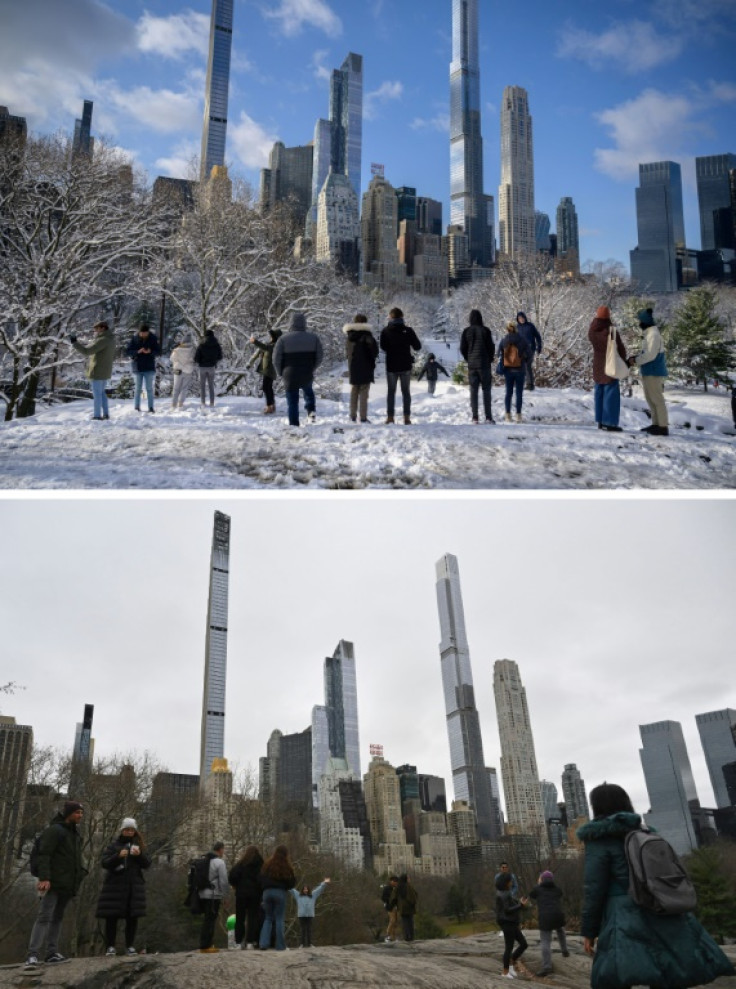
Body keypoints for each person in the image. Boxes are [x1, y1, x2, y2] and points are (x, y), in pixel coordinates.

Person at [578, 783, 734, 989]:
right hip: (662, 906)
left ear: (596, 806)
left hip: (624, 915)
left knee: (614, 976)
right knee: (669, 971)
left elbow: (594, 888)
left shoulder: (598, 839)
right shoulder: (646, 832)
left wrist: (589, 931)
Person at [25, 801, 86, 969]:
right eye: (77, 812)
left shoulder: (74, 834)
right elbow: (44, 854)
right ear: (68, 813)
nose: (80, 815)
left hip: (67, 884)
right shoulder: (55, 830)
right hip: (52, 882)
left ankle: (51, 953)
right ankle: (32, 955)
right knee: (44, 916)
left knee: (58, 918)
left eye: (81, 813)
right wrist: (44, 878)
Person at [96, 817, 151, 957]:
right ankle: (110, 946)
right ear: (122, 830)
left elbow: (147, 864)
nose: (129, 832)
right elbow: (105, 863)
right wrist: (118, 856)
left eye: (132, 830)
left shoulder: (139, 846)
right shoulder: (113, 846)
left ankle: (130, 946)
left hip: (134, 887)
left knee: (132, 917)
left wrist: (139, 856)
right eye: (127, 829)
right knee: (111, 917)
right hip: (114, 887)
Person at [272, 313, 323, 426]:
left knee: (292, 401)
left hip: (289, 374)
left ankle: (294, 424)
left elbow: (276, 358)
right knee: (309, 392)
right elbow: (320, 356)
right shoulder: (313, 338)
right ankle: (311, 411)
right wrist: (312, 367)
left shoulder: (283, 339)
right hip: (307, 371)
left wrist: (280, 372)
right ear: (304, 323)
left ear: (290, 323)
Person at [630, 308, 669, 437]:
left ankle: (662, 426)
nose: (639, 323)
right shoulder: (649, 333)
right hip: (649, 370)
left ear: (645, 321)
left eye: (640, 320)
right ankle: (656, 424)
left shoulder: (653, 334)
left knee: (656, 398)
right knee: (650, 398)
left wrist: (636, 360)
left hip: (654, 370)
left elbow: (651, 355)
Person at [588, 305, 627, 432]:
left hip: (597, 365)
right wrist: (624, 361)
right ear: (608, 316)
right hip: (610, 365)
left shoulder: (592, 330)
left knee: (599, 393)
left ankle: (600, 421)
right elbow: (620, 348)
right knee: (611, 395)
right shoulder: (611, 331)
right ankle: (609, 423)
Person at [379, 307, 421, 424]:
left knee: (391, 392)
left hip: (391, 365)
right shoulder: (408, 330)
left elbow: (383, 347)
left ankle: (390, 417)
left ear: (390, 317)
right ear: (402, 317)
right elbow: (417, 346)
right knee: (406, 392)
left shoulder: (385, 331)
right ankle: (406, 417)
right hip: (405, 365)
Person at [69, 321, 116, 420]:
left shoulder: (103, 340)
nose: (95, 330)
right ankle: (106, 414)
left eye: (97, 328)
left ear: (103, 328)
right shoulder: (110, 339)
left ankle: (97, 415)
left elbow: (87, 351)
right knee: (101, 393)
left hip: (98, 370)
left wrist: (74, 342)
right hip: (104, 370)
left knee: (97, 394)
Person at [529, 870, 568, 977]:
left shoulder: (538, 889)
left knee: (545, 941)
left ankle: (547, 967)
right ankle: (564, 950)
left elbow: (531, 895)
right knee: (560, 930)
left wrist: (539, 884)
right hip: (557, 915)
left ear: (542, 879)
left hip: (545, 917)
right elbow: (560, 894)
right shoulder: (557, 889)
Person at [460, 309, 495, 423]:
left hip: (472, 365)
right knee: (486, 390)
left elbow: (462, 348)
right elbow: (491, 347)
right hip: (484, 364)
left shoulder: (466, 331)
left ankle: (475, 417)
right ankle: (488, 417)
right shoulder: (486, 330)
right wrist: (489, 358)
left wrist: (468, 358)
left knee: (473, 391)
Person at [258, 844, 296, 950]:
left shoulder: (267, 864)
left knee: (268, 918)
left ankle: (263, 944)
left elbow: (260, 878)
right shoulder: (287, 866)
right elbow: (292, 882)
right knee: (279, 918)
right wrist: (286, 887)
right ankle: (280, 945)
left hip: (267, 893)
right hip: (280, 893)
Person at [342, 314, 378, 423]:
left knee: (354, 391)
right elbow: (375, 352)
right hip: (366, 367)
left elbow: (347, 353)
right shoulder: (368, 336)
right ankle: (363, 417)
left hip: (353, 367)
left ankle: (352, 416)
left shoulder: (349, 337)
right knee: (364, 393)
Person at [228, 844, 264, 949]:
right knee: (253, 918)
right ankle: (250, 942)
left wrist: (236, 885)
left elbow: (232, 876)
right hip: (255, 894)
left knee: (240, 918)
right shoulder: (261, 865)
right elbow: (263, 879)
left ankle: (238, 942)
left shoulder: (240, 864)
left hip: (241, 894)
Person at [496, 871, 529, 979]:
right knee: (509, 947)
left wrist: (520, 903)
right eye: (511, 880)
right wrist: (520, 905)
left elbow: (511, 904)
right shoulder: (503, 894)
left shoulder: (505, 892)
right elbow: (507, 910)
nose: (512, 882)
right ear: (507, 882)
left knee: (523, 944)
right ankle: (505, 972)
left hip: (512, 922)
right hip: (507, 923)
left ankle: (511, 963)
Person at [497, 321, 531, 422]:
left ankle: (508, 415)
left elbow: (498, 354)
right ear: (516, 329)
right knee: (519, 393)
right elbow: (529, 354)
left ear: (507, 329)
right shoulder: (522, 340)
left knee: (508, 392)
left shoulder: (504, 340)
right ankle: (518, 415)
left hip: (508, 370)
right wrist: (524, 360)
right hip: (520, 370)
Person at [198, 841, 228, 953]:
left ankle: (205, 943)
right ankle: (206, 945)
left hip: (202, 894)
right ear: (220, 849)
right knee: (210, 919)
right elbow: (224, 881)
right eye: (223, 849)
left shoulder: (204, 860)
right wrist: (225, 896)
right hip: (214, 895)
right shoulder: (219, 862)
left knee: (206, 919)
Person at [126, 324, 160, 413]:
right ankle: (136, 407)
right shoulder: (134, 338)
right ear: (139, 332)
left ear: (148, 332)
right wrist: (137, 351)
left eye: (145, 333)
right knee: (137, 389)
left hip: (149, 366)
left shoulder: (153, 338)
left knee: (149, 389)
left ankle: (151, 407)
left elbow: (158, 351)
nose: (143, 335)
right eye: (142, 333)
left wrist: (150, 351)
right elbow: (128, 351)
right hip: (137, 367)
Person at [289, 877, 330, 947]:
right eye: (304, 889)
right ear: (302, 890)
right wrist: (284, 881)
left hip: (310, 915)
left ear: (308, 889)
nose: (306, 890)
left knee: (309, 930)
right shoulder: (298, 896)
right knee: (302, 930)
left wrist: (324, 883)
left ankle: (309, 944)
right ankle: (301, 944)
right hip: (301, 915)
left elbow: (319, 889)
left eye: (307, 889)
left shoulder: (313, 895)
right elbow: (291, 890)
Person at [249, 329, 282, 414]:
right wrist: (263, 356)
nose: (270, 337)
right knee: (268, 388)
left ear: (275, 337)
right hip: (268, 369)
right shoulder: (272, 344)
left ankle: (269, 406)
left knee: (265, 387)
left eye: (271, 336)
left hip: (270, 370)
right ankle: (271, 405)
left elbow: (266, 347)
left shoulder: (275, 345)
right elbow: (267, 352)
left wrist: (255, 341)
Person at [194, 329, 223, 408]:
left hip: (202, 367)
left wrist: (200, 361)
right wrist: (214, 360)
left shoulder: (201, 344)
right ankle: (212, 403)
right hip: (212, 367)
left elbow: (196, 358)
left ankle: (203, 403)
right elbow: (220, 356)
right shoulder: (216, 344)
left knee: (202, 386)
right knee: (211, 386)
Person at [516, 312, 542, 390]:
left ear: (525, 317)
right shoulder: (517, 327)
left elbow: (538, 336)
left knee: (527, 366)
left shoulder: (530, 326)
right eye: (519, 318)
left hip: (530, 349)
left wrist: (539, 346)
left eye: (522, 318)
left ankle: (530, 385)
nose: (521, 319)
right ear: (518, 319)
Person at [391, 873, 418, 942]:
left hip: (402, 907)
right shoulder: (408, 886)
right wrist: (413, 903)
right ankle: (411, 937)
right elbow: (413, 896)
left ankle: (406, 936)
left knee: (405, 922)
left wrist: (395, 904)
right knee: (410, 922)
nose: (409, 879)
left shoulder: (398, 887)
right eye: (408, 878)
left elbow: (394, 897)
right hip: (409, 907)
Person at [170, 339, 195, 409]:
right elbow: (194, 359)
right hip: (188, 370)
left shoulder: (176, 350)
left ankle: (174, 404)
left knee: (176, 388)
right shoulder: (192, 350)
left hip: (178, 370)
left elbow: (172, 359)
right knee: (184, 388)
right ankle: (181, 403)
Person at [382, 875, 399, 942]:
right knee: (392, 921)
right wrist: (389, 901)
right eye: (394, 881)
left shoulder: (395, 888)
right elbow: (383, 898)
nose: (395, 883)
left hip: (396, 907)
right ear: (391, 881)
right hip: (390, 907)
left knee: (395, 922)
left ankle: (393, 937)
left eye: (396, 882)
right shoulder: (387, 888)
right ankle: (388, 934)